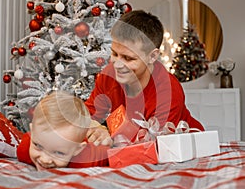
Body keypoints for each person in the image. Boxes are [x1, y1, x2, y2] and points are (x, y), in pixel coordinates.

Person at [85, 10, 205, 144]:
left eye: (128, 58)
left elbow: (152, 145)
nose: (117, 64)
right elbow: (87, 117)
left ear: (152, 56)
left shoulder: (168, 90)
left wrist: (107, 134)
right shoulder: (108, 76)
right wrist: (95, 129)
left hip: (189, 146)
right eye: (114, 54)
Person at [17, 91, 109, 170]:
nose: (45, 160)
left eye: (58, 153)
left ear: (77, 149)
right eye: (38, 146)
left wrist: (108, 141)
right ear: (32, 133)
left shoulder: (87, 158)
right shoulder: (24, 149)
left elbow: (110, 152)